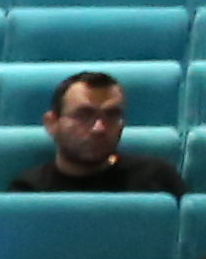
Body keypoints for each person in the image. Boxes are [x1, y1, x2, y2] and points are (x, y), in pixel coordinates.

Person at [12, 69, 176, 198]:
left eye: (112, 115)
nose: (99, 128)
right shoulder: (29, 191)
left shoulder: (157, 179)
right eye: (84, 115)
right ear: (52, 123)